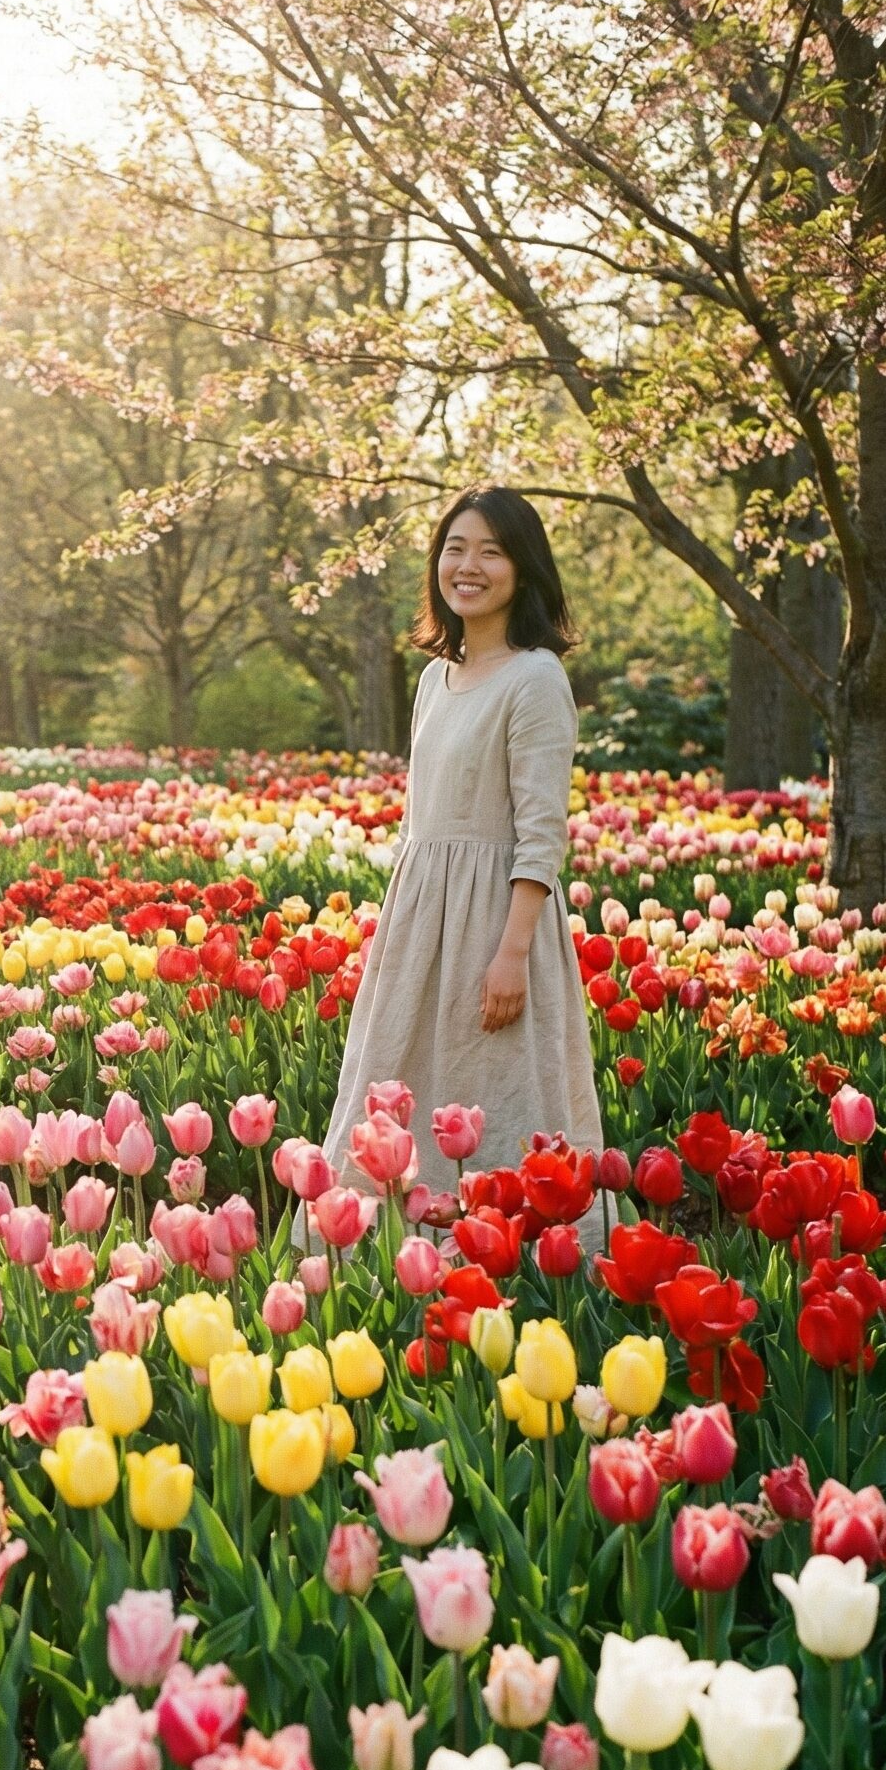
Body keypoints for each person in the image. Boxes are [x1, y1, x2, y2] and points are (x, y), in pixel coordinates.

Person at [318, 485, 603, 1222]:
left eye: (492, 551)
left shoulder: (535, 678)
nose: (468, 566)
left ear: (524, 569)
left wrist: (511, 953)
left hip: (496, 926)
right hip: (423, 921)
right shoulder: (433, 681)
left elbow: (542, 834)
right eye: (455, 547)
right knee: (396, 1088)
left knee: (498, 1094)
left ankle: (511, 1255)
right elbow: (423, 823)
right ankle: (383, 1256)